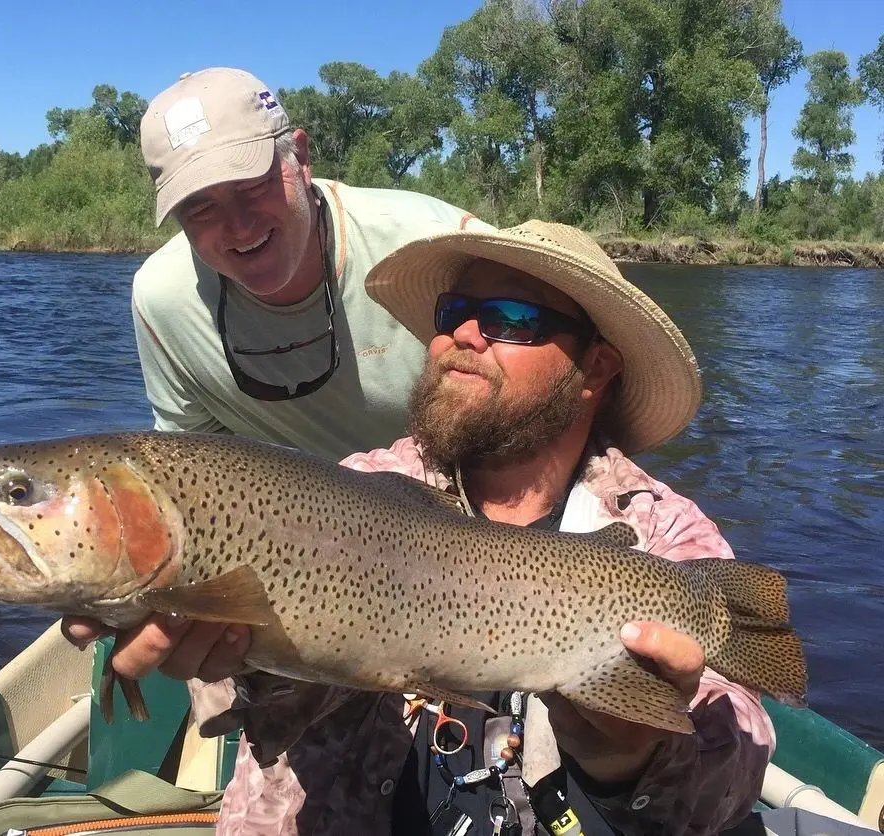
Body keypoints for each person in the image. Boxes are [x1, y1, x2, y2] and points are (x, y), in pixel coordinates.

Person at [67, 220, 795, 835]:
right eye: (452, 313)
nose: (464, 335)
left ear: (594, 368)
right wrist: (237, 661)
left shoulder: (663, 538)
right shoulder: (352, 494)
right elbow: (256, 721)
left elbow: (731, 781)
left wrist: (626, 759)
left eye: (511, 319)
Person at [129, 65, 494, 462]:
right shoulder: (162, 300)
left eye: (252, 185)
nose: (239, 226)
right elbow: (193, 465)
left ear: (301, 157)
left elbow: (536, 405)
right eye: (200, 209)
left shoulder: (441, 245)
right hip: (291, 519)